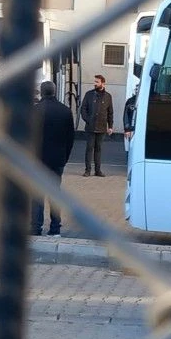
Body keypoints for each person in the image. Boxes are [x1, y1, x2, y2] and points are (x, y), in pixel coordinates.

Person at [31, 80, 75, 236]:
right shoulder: (65, 111)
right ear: (55, 92)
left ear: (42, 92)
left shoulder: (34, 111)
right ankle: (55, 227)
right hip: (58, 159)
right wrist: (65, 157)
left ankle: (36, 227)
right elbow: (70, 138)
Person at [78, 74, 114, 177]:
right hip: (90, 127)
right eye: (94, 82)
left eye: (97, 82)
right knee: (89, 148)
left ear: (103, 83)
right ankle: (87, 170)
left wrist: (110, 126)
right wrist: (87, 119)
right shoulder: (89, 94)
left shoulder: (108, 96)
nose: (95, 84)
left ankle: (98, 170)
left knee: (98, 149)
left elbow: (110, 112)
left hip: (102, 128)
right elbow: (83, 109)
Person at [122, 84, 139, 153]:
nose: (137, 91)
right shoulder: (130, 101)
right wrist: (127, 129)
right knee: (129, 150)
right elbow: (126, 115)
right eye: (136, 89)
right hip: (131, 129)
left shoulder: (145, 101)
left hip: (141, 129)